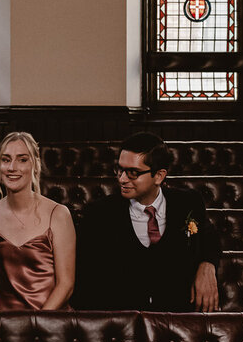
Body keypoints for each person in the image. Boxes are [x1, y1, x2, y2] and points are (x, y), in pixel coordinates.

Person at [72, 132, 221, 312]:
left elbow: (209, 236)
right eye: (120, 170)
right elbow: (86, 277)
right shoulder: (99, 213)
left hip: (177, 319)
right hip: (123, 323)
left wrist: (207, 265)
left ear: (159, 176)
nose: (122, 179)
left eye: (133, 173)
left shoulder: (188, 203)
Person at [0, 131, 75, 310]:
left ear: (35, 165)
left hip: (51, 323)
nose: (12, 167)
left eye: (22, 159)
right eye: (6, 159)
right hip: (4, 326)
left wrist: (37, 326)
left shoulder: (59, 214)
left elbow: (66, 285)